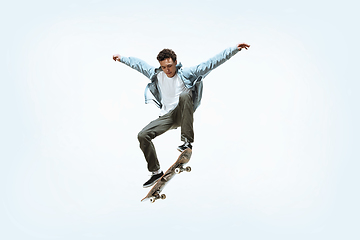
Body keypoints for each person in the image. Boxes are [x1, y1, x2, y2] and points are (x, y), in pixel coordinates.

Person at [112, 43, 250, 188]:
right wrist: (122, 58)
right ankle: (156, 171)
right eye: (164, 67)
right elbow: (138, 64)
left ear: (175, 62)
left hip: (183, 113)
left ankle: (186, 142)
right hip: (167, 117)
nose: (167, 70)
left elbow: (211, 63)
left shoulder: (187, 73)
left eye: (170, 66)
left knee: (185, 96)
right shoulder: (157, 74)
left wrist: (234, 49)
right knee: (142, 135)